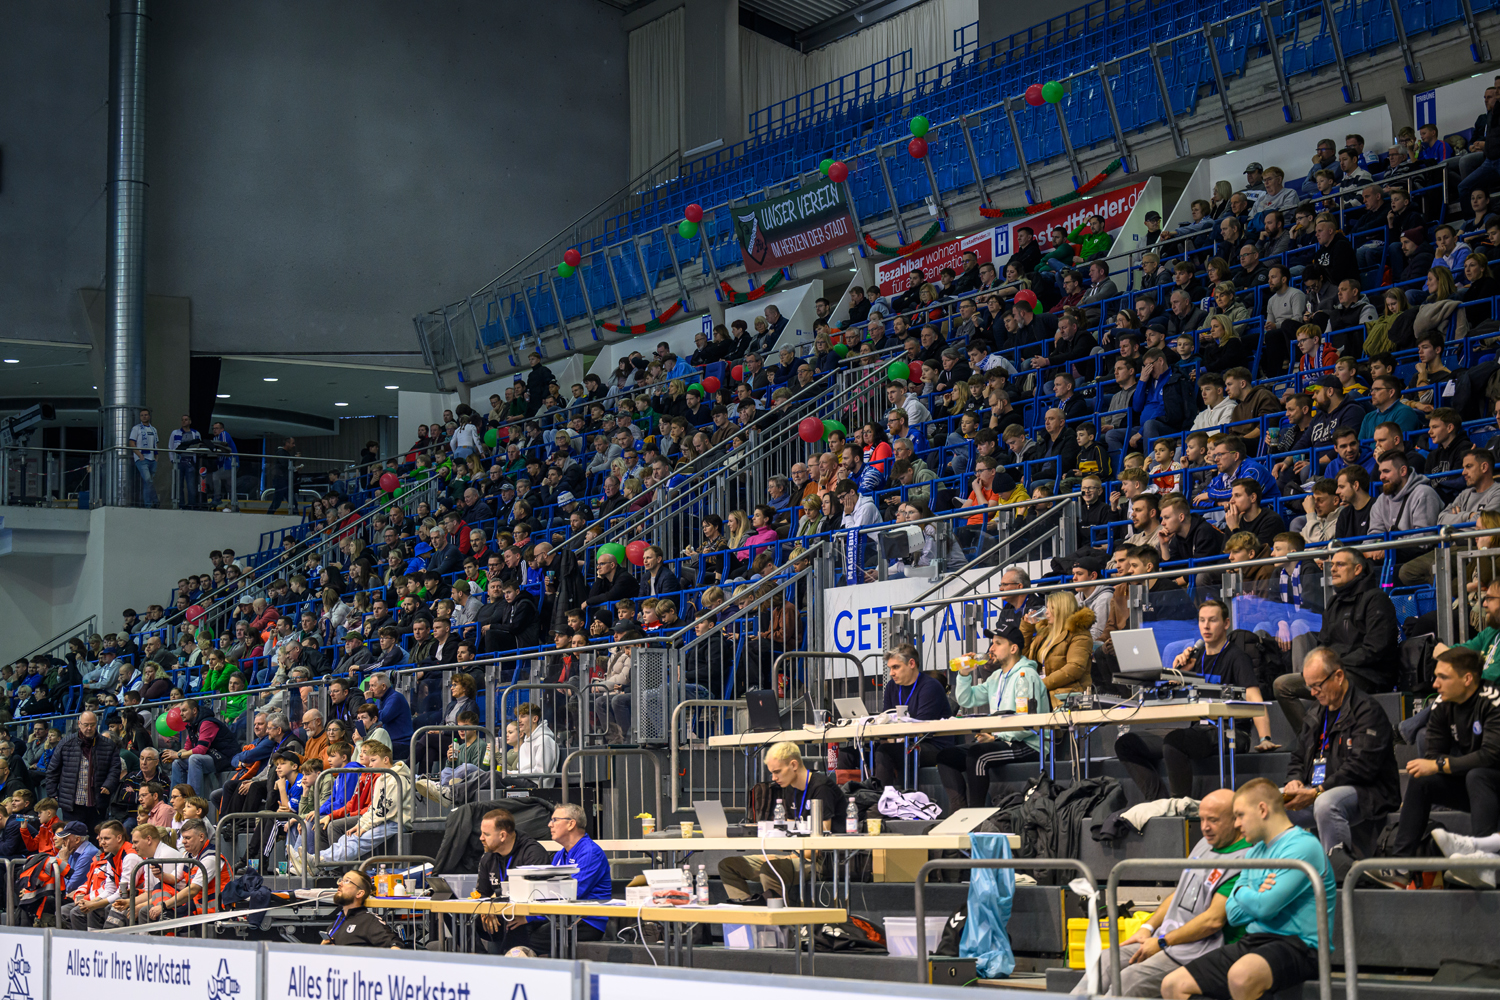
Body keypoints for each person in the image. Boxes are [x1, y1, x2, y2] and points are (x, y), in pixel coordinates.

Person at [1160, 779, 1334, 1000]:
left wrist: (1242, 890)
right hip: (1254, 940)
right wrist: (1256, 890)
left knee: (1241, 976)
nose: (1236, 824)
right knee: (1173, 985)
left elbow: (1265, 908)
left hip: (1301, 946)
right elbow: (1233, 915)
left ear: (1262, 809)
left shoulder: (1302, 846)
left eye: (1240, 815)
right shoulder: (1254, 852)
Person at [1073, 789, 1250, 997]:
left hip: (1198, 949)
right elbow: (1180, 893)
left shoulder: (1245, 859)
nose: (1205, 828)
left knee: (1130, 978)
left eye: (1213, 820)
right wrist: (1148, 927)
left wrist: (1163, 942)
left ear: (1236, 819)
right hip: (1165, 938)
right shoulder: (1205, 843)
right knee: (1104, 961)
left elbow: (1212, 921)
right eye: (1201, 819)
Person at [1116, 600, 1275, 802]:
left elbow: (1255, 698)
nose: (1206, 626)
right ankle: (1158, 801)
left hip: (1230, 731)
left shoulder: (1236, 657)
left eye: (1212, 620)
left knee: (1174, 742)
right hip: (1199, 730)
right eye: (1202, 620)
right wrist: (1180, 672)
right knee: (1126, 743)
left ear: (1226, 623)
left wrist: (1265, 738)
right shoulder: (1195, 658)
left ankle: (1180, 805)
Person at [1378, 647, 1500, 882]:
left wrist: (1442, 764)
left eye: (1443, 677)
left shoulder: (1492, 700)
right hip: (1475, 786)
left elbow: (1491, 755)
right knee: (1422, 779)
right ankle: (1401, 866)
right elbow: (1432, 755)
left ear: (1467, 679)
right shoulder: (1443, 703)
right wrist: (1439, 765)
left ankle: (1486, 861)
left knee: (1478, 774)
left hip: (1491, 781)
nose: (1435, 684)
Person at [1282, 647, 1399, 858]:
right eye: (1309, 687)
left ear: (1338, 676)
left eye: (1317, 686)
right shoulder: (1317, 712)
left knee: (1326, 803)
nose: (1312, 693)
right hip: (1321, 788)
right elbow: (1299, 756)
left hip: (1367, 791)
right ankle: (1286, 874)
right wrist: (1294, 781)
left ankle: (1337, 874)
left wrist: (1318, 790)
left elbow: (1362, 767)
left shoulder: (1367, 711)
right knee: (1269, 804)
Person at [1273, 549, 1397, 732]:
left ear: (1357, 569)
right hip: (1332, 672)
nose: (1333, 569)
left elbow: (1375, 649)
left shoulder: (1376, 599)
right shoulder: (1333, 602)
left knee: (1327, 686)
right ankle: (1310, 742)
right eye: (1332, 565)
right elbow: (1322, 644)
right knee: (1282, 685)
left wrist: (1335, 667)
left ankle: (1317, 741)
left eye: (1340, 564)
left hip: (1368, 674)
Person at [935, 624, 1048, 811]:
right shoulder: (996, 676)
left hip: (1029, 744)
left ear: (1013, 649)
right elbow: (966, 699)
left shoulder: (1026, 675)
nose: (991, 649)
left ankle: (977, 815)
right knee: (945, 756)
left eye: (997, 643)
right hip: (1002, 740)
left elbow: (1027, 723)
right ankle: (958, 811)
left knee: (978, 755)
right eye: (991, 643)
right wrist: (963, 673)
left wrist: (996, 737)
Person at [720, 741, 845, 902]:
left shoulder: (821, 787)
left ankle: (778, 924)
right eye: (772, 773)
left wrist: (785, 856)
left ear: (793, 765)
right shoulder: (790, 788)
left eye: (777, 772)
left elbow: (817, 847)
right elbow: (789, 831)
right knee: (728, 865)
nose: (773, 778)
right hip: (795, 855)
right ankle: (748, 916)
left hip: (820, 861)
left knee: (770, 869)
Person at [871, 644, 953, 787]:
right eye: (890, 668)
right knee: (851, 753)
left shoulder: (930, 686)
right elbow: (886, 719)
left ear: (911, 664)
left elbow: (921, 729)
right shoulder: (892, 686)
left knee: (885, 752)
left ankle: (884, 803)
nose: (891, 673)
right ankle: (857, 799)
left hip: (932, 746)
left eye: (896, 667)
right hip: (903, 742)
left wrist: (893, 741)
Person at [475, 807, 551, 954]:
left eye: (486, 834)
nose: (481, 838)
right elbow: (482, 893)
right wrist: (485, 909)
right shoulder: (487, 857)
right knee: (456, 915)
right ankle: (480, 958)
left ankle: (504, 964)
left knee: (514, 921)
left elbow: (533, 895)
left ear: (502, 835)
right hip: (497, 917)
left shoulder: (533, 853)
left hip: (525, 917)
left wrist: (493, 902)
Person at [544, 803, 610, 950]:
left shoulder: (590, 852)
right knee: (516, 929)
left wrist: (531, 916)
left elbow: (573, 893)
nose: (550, 824)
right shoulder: (560, 855)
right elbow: (550, 890)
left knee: (530, 936)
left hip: (588, 922)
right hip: (564, 918)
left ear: (571, 824)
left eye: (555, 820)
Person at [45, 711, 121, 830]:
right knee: (72, 838)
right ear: (79, 724)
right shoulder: (65, 743)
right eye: (86, 724)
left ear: (97, 724)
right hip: (71, 804)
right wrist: (52, 794)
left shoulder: (108, 745)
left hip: (97, 802)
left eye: (92, 724)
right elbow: (52, 770)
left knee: (96, 838)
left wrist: (109, 785)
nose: (89, 728)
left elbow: (115, 769)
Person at [164, 698, 239, 801]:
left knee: (194, 759)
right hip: (211, 756)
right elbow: (187, 748)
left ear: (194, 710)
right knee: (177, 762)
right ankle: (176, 801)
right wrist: (174, 754)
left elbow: (201, 750)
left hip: (225, 758)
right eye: (180, 711)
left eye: (184, 710)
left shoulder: (207, 722)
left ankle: (194, 801)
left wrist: (178, 755)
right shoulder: (192, 725)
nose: (181, 714)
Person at [322, 870, 399, 948]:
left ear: (359, 893)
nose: (339, 884)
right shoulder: (335, 924)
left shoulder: (369, 921)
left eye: (347, 881)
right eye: (341, 880)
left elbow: (395, 944)